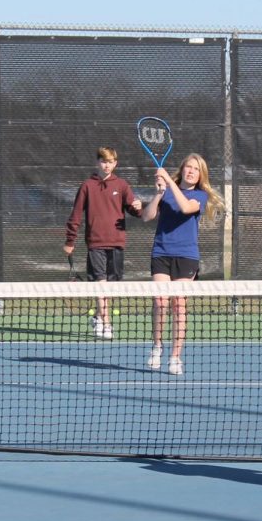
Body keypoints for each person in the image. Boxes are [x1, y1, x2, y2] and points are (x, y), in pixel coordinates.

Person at [140, 153, 223, 375]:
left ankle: (175, 356)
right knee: (160, 301)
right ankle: (157, 346)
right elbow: (146, 216)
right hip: (161, 253)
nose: (191, 171)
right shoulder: (166, 190)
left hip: (186, 256)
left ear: (200, 174)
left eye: (196, 169)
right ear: (183, 169)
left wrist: (168, 182)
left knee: (179, 304)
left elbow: (186, 208)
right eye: (188, 167)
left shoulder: (200, 195)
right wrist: (158, 194)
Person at [64, 146, 142, 339]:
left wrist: (138, 207)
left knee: (111, 287)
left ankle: (99, 317)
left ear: (115, 163)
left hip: (117, 243)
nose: (107, 165)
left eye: (110, 162)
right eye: (103, 161)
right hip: (95, 244)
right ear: (97, 162)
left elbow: (134, 210)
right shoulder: (87, 186)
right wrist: (70, 240)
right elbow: (75, 215)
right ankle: (107, 324)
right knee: (101, 284)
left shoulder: (122, 185)